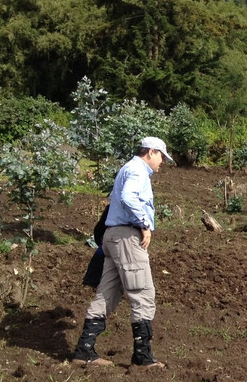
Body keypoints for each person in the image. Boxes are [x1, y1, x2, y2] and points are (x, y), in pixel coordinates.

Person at [71, 136, 174, 368]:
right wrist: (144, 225)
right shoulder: (138, 170)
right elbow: (129, 198)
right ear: (150, 152)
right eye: (161, 156)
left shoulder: (127, 169)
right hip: (127, 238)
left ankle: (84, 351)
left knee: (107, 294)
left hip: (112, 238)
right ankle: (143, 357)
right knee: (143, 294)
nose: (163, 162)